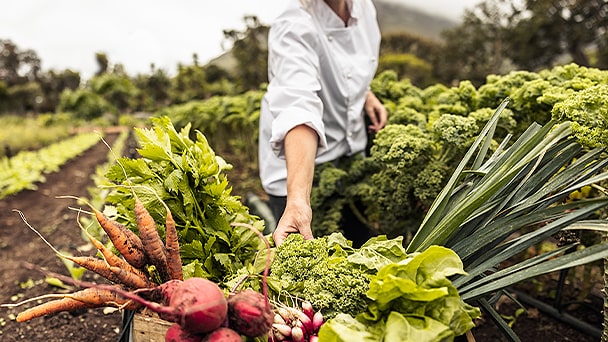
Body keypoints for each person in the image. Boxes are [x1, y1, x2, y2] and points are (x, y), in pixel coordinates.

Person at [258, 0, 388, 246]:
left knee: (358, 240)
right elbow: (299, 107)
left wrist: (364, 94)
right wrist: (297, 201)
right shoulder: (293, 24)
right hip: (299, 166)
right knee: (309, 262)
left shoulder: (364, 8)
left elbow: (347, 64)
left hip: (349, 152)